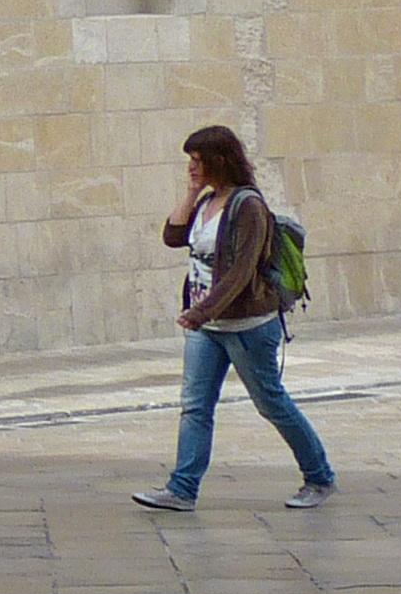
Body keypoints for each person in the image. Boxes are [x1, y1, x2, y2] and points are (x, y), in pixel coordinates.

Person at [135, 123, 335, 512]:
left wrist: (200, 311)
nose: (191, 167)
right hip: (206, 327)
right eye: (189, 161)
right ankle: (182, 489)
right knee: (195, 406)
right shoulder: (208, 201)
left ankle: (319, 476)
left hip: (247, 327)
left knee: (271, 403)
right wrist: (191, 193)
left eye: (197, 161)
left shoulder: (249, 207)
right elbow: (173, 237)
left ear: (220, 160)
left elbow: (242, 272)